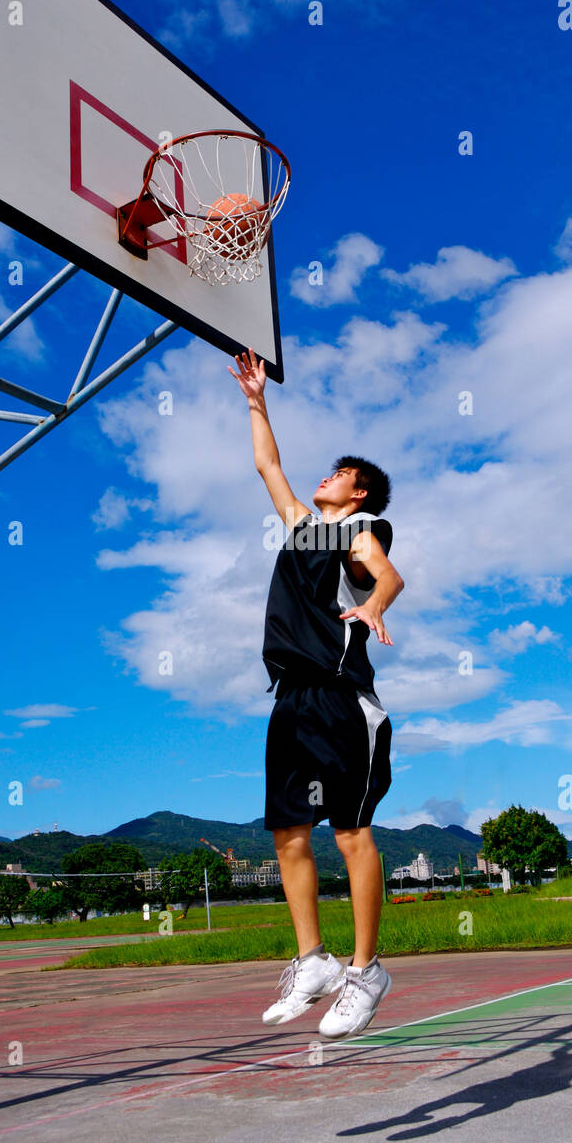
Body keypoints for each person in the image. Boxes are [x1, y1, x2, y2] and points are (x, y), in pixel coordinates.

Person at [228, 348, 405, 1039]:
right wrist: (254, 400)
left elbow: (386, 575)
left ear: (357, 494)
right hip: (291, 699)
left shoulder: (359, 534)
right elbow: (268, 468)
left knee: (351, 833)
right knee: (286, 835)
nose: (325, 477)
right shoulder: (304, 529)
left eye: (339, 474)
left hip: (342, 701)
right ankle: (314, 962)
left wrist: (374, 607)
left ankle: (367, 971)